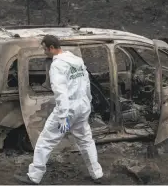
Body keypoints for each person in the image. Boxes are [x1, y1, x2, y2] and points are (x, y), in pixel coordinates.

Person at [14, 35, 104, 184]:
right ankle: (97, 174)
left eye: (44, 49)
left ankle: (34, 177)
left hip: (67, 108)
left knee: (45, 141)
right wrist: (87, 103)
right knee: (86, 141)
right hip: (82, 105)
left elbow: (60, 93)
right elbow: (86, 84)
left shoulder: (57, 66)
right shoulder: (77, 60)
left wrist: (62, 117)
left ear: (51, 48)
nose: (44, 52)